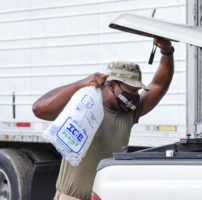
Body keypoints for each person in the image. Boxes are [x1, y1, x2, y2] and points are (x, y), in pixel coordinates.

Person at [32, 38, 174, 200]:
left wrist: (167, 52)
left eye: (137, 90)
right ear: (112, 84)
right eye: (131, 89)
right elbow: (39, 109)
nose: (135, 95)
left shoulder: (129, 112)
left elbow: (159, 85)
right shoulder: (84, 105)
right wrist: (80, 84)